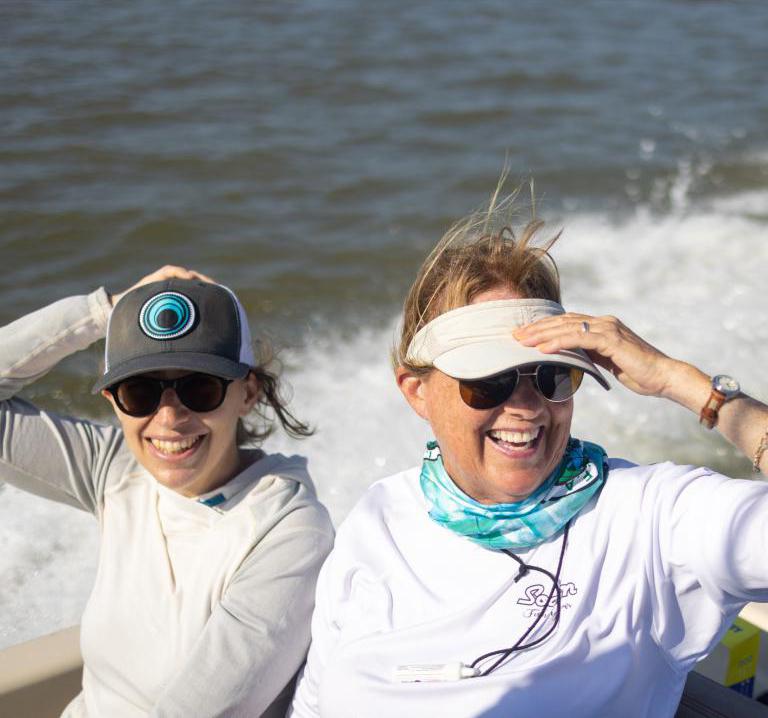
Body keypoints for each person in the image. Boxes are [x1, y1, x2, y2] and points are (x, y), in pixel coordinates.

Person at [290, 191, 768, 717]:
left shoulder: (651, 518)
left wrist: (691, 387)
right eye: (488, 382)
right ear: (417, 391)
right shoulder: (377, 519)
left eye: (551, 375)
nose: (526, 406)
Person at [0, 266, 334, 717]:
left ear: (248, 392)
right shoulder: (115, 468)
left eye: (200, 387)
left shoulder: (289, 531)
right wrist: (103, 313)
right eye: (140, 392)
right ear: (113, 401)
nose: (169, 418)